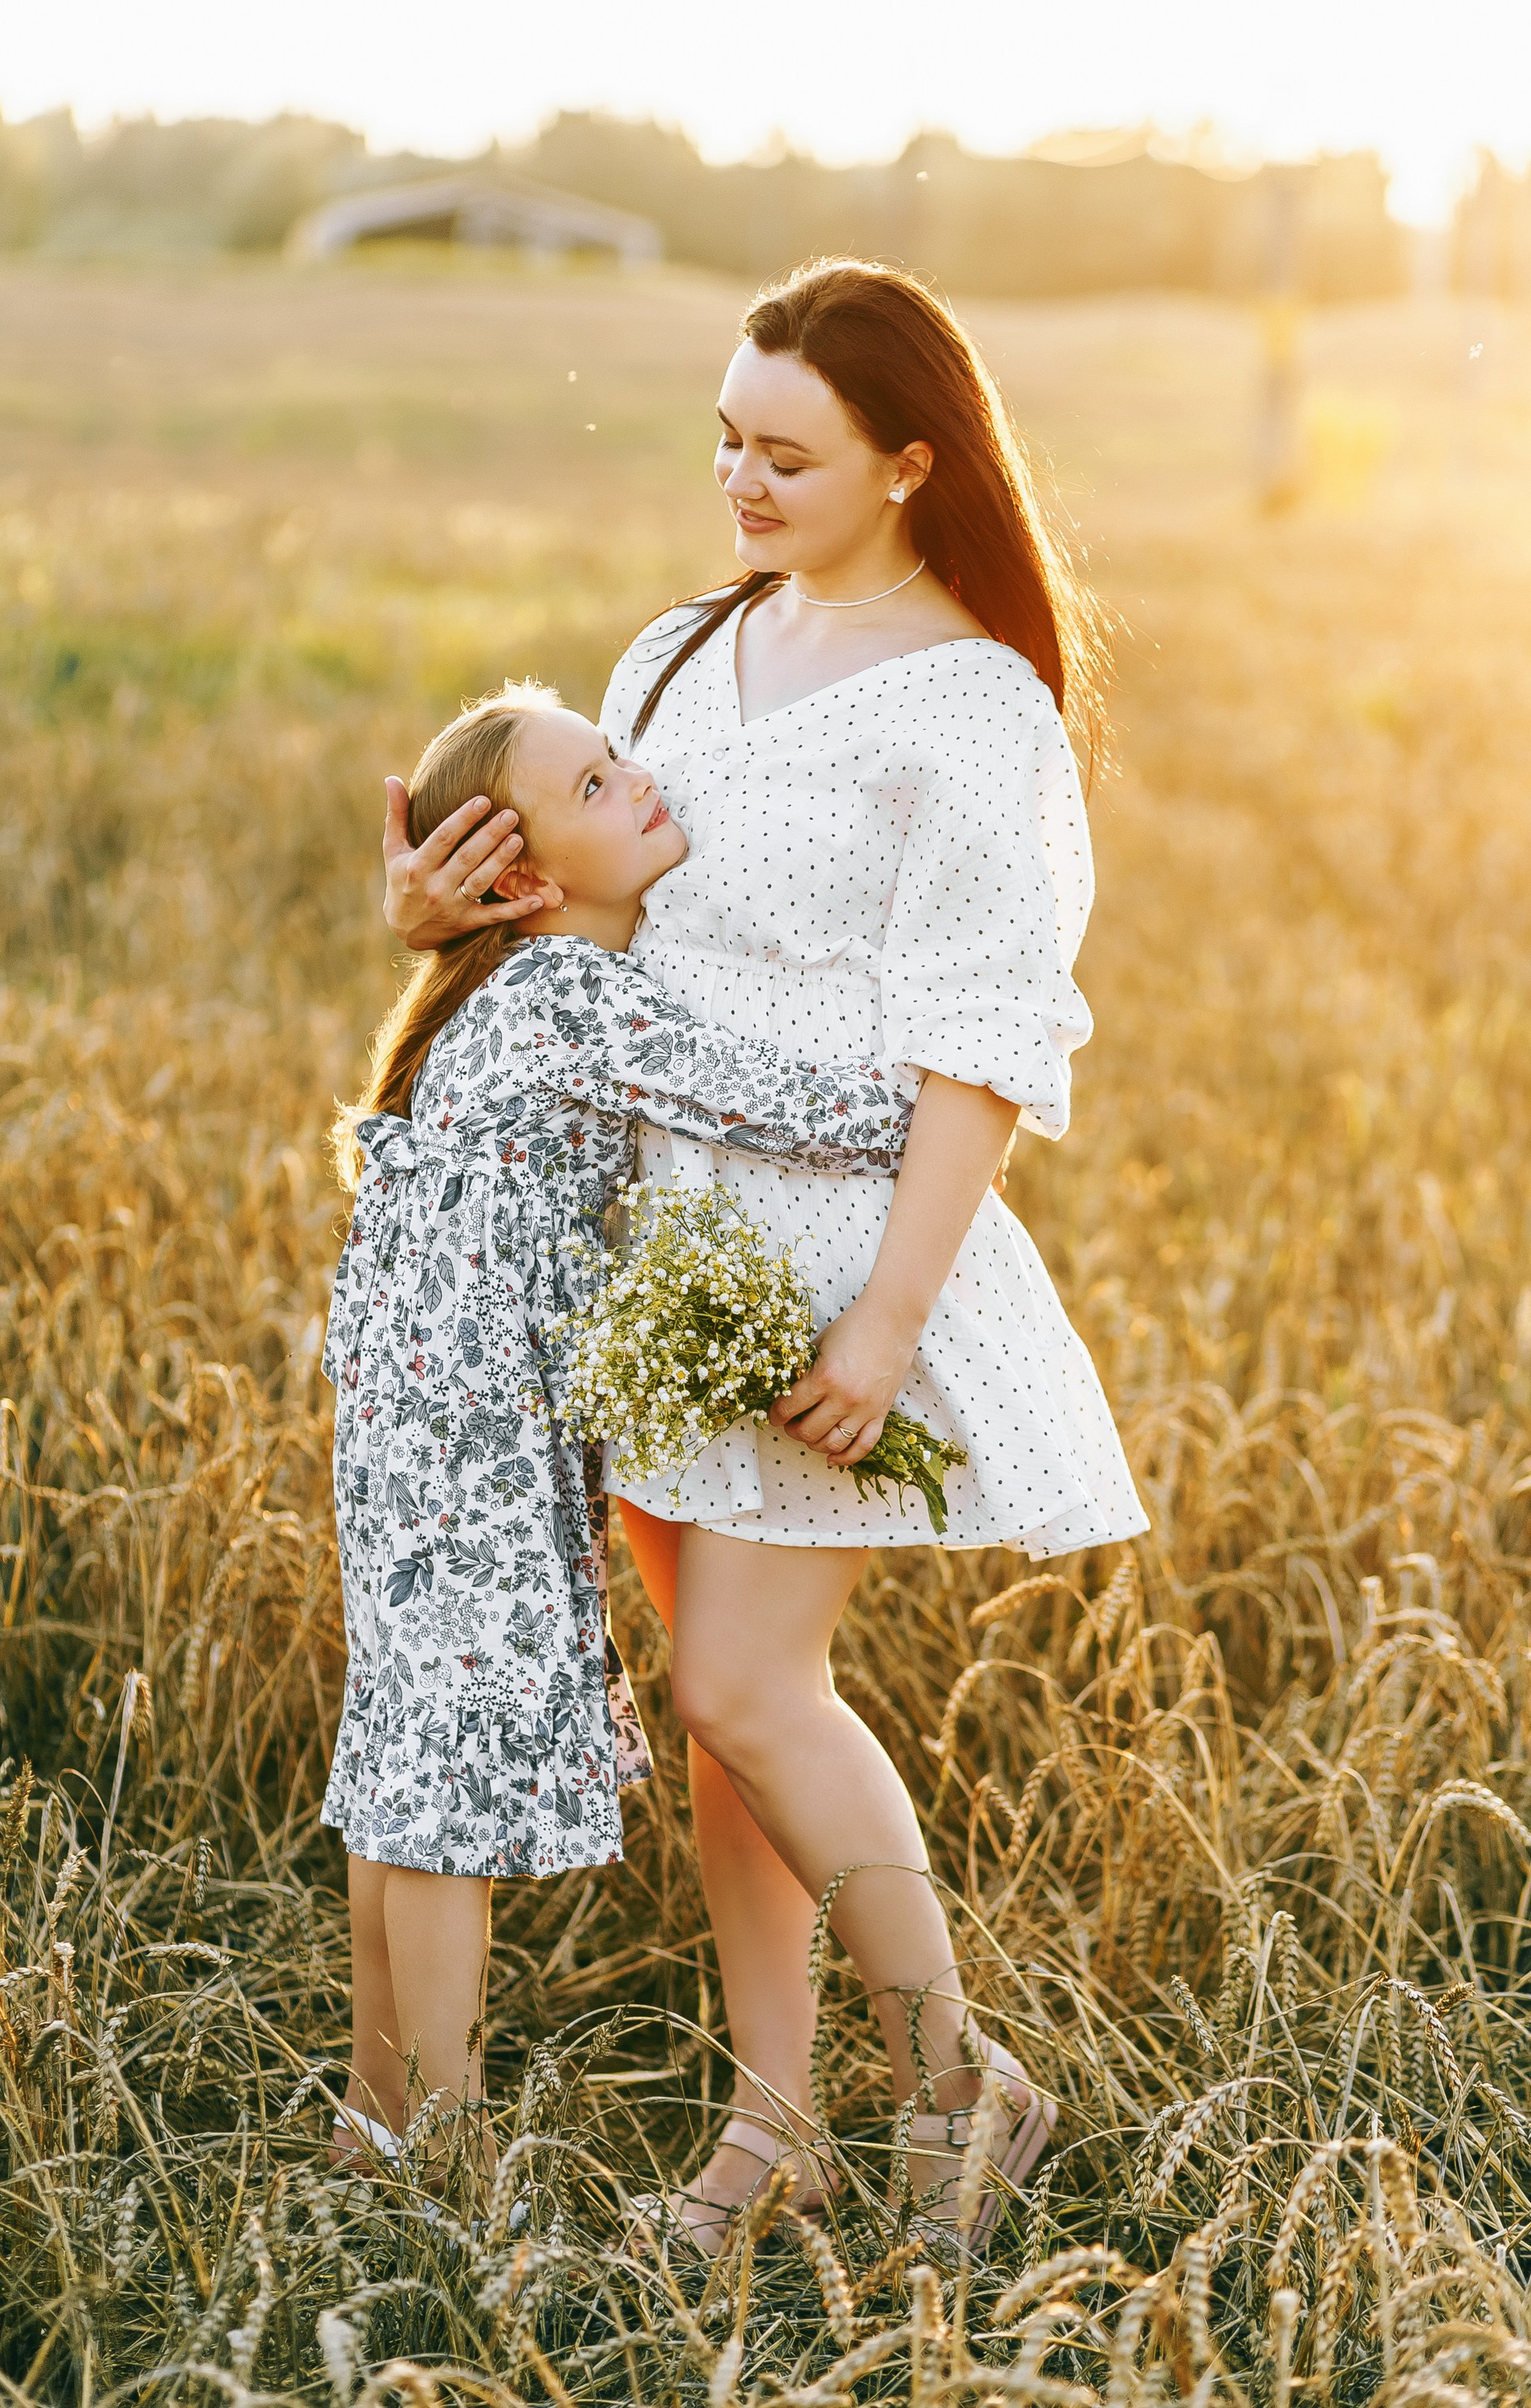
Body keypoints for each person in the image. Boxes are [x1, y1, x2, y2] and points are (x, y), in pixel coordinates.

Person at [381, 258, 1148, 2246]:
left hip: (827, 1253)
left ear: (911, 461)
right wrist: (433, 915)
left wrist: (890, 1318)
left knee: (745, 1683)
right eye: (724, 435)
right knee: (730, 1718)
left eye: (784, 452)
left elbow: (985, 1038)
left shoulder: (980, 710)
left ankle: (961, 2082)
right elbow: (574, 895)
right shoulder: (676, 644)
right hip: (651, 1253)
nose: (737, 476)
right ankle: (769, 2128)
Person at [321, 681, 912, 2175]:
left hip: (401, 1433)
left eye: (619, 755)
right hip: (481, 1453)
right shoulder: (581, 995)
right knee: (448, 1795)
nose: (639, 780)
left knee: (405, 1763)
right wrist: (954, 1074)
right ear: (520, 879)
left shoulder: (496, 994)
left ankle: (376, 2117)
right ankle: (441, 2152)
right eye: (595, 785)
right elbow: (818, 1115)